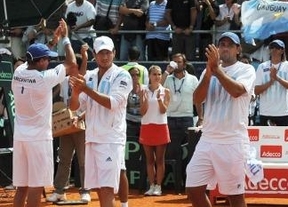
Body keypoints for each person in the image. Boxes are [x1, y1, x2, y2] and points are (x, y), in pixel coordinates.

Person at [11, 19, 77, 207]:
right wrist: (65, 38)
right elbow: (71, 63)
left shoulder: (19, 72)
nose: (49, 61)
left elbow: (33, 58)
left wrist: (51, 42)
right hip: (39, 140)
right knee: (35, 186)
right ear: (39, 62)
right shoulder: (44, 79)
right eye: (46, 59)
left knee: (22, 186)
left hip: (21, 138)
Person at [186, 32, 256, 207]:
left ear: (238, 49)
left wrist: (217, 71)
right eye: (222, 44)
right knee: (193, 189)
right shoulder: (207, 70)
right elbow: (197, 99)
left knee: (234, 196)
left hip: (232, 141)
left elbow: (237, 91)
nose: (224, 47)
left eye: (229, 45)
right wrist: (209, 73)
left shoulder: (246, 69)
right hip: (208, 138)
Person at [69, 36, 132, 207]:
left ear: (114, 53)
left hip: (111, 139)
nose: (105, 57)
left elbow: (112, 103)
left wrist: (85, 89)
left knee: (107, 189)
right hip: (91, 139)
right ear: (94, 55)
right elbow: (75, 107)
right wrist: (75, 91)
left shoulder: (122, 75)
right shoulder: (89, 76)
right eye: (101, 53)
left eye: (108, 53)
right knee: (98, 188)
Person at [46, 44, 91, 203]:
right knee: (63, 158)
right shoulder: (63, 81)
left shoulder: (85, 80)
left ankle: (85, 191)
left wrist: (84, 56)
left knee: (83, 159)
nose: (69, 67)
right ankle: (60, 191)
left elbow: (84, 71)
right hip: (66, 125)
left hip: (81, 124)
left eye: (72, 65)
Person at [161, 53, 202, 193]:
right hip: (170, 118)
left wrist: (201, 117)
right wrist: (167, 71)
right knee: (172, 154)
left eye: (179, 62)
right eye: (174, 61)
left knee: (188, 155)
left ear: (184, 64)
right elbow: (157, 87)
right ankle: (173, 185)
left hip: (187, 119)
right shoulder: (167, 78)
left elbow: (198, 99)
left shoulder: (193, 79)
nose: (176, 64)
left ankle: (187, 185)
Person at [139, 65, 170, 196]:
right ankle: (151, 185)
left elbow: (163, 110)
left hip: (161, 126)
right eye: (154, 74)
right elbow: (142, 111)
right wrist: (144, 99)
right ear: (149, 76)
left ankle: (158, 186)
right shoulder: (143, 90)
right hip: (147, 126)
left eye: (158, 74)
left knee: (160, 159)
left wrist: (158, 98)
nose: (157, 77)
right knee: (149, 159)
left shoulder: (166, 91)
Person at [254, 39, 288, 126]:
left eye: (277, 47)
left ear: (282, 50)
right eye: (272, 47)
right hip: (265, 112)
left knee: (282, 140)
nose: (274, 49)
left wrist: (277, 78)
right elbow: (256, 91)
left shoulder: (287, 66)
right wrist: (270, 82)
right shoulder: (262, 66)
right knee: (265, 139)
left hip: (283, 112)